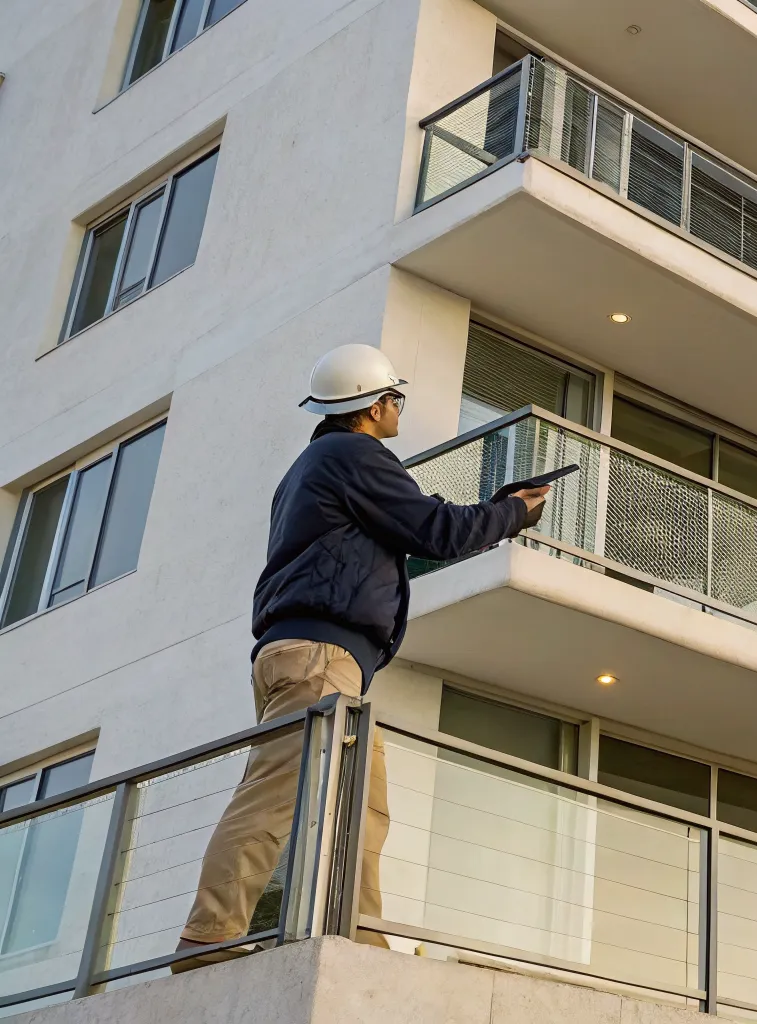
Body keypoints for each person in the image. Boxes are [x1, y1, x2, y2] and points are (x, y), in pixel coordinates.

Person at [176, 344, 549, 963]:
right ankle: (208, 935)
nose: (399, 410)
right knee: (273, 798)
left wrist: (495, 514)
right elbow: (439, 530)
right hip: (319, 657)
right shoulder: (356, 455)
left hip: (317, 657)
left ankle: (361, 943)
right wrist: (512, 513)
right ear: (375, 406)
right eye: (395, 398)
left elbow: (411, 543)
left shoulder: (311, 467)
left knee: (360, 806)